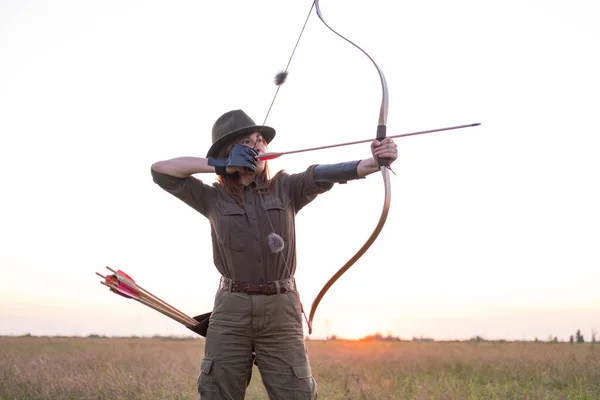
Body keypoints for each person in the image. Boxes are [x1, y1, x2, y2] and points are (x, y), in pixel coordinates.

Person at [151, 109, 397, 400]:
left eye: (260, 140)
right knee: (218, 391)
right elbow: (160, 169)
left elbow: (323, 173)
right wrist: (220, 165)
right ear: (228, 152)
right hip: (232, 309)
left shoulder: (287, 186)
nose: (257, 145)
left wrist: (374, 161)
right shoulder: (211, 197)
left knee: (296, 393)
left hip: (281, 309)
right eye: (246, 142)